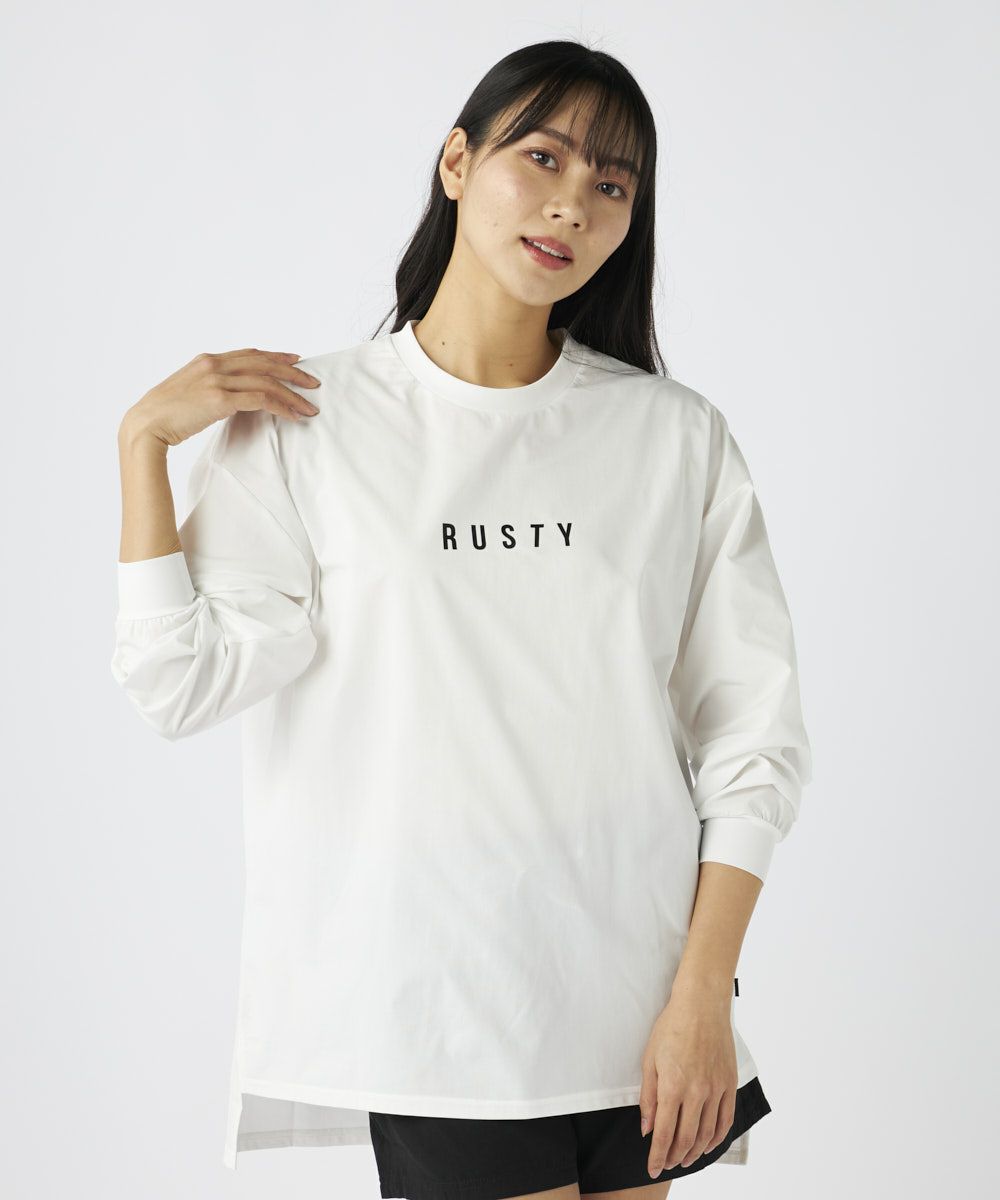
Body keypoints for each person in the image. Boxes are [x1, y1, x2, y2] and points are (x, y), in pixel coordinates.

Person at [111, 38, 811, 1200]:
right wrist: (141, 446)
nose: (571, 202)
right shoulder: (308, 424)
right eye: (542, 157)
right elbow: (177, 685)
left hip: (638, 1003)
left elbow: (751, 735)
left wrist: (702, 992)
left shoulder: (672, 437)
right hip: (434, 1012)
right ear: (455, 161)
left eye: (611, 183)